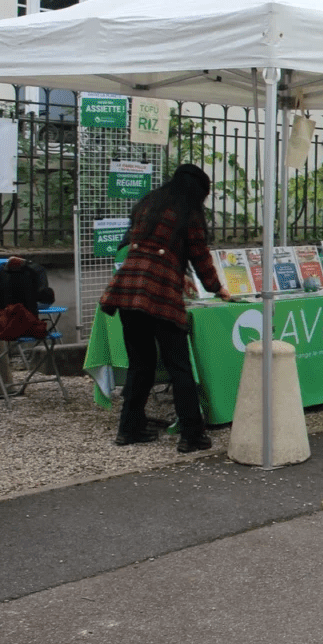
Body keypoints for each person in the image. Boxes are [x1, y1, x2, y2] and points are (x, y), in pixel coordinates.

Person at [100, 164, 231, 451]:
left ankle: (129, 428)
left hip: (127, 288)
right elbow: (200, 255)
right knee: (179, 366)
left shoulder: (150, 202)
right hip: (157, 292)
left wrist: (178, 272)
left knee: (140, 365)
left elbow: (151, 246)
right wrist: (217, 288)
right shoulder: (189, 211)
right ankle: (192, 435)